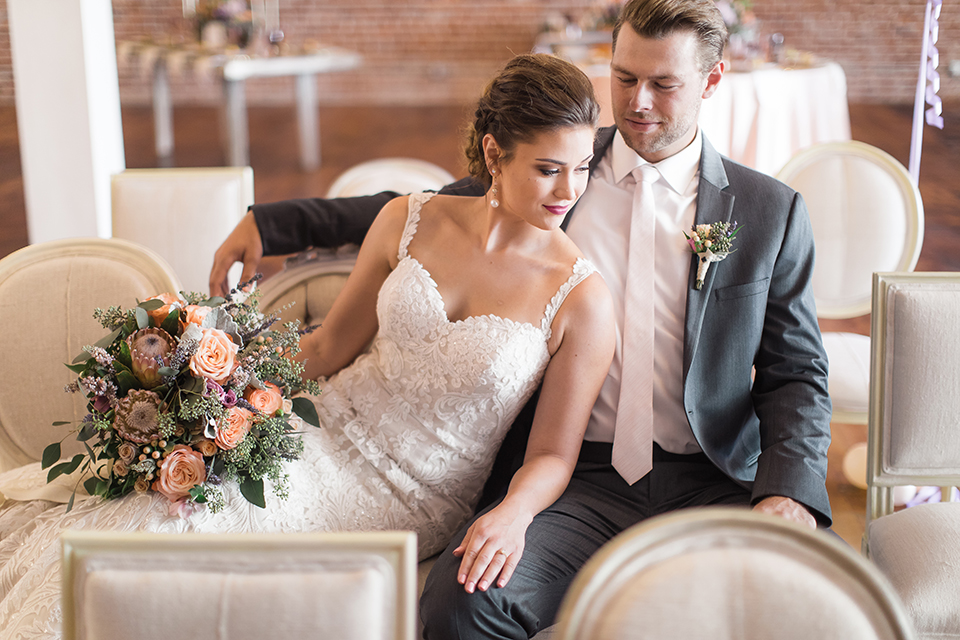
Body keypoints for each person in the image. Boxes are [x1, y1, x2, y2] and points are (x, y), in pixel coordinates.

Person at [209, 1, 833, 637]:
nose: (638, 102)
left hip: (714, 477)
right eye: (623, 78)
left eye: (664, 84)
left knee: (787, 609)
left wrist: (788, 493)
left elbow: (797, 372)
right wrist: (272, 221)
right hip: (579, 478)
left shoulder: (769, 212)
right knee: (463, 606)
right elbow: (424, 211)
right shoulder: (562, 166)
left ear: (712, 81)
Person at [0, 54, 616, 638]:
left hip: (409, 492)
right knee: (167, 501)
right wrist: (211, 379)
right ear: (494, 153)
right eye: (547, 168)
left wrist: (514, 514)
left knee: (200, 523)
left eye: (583, 166)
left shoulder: (581, 299)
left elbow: (552, 458)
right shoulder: (409, 218)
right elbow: (324, 351)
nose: (569, 189)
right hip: (317, 426)